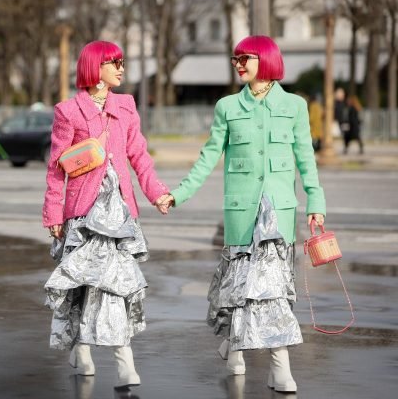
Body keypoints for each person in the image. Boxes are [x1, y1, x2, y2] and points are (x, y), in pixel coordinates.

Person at [157, 36, 326, 393]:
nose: (238, 64)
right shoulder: (227, 107)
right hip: (241, 213)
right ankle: (235, 349)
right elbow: (208, 157)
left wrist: (316, 203)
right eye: (235, 58)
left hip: (278, 214)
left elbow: (306, 160)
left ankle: (279, 366)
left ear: (264, 60)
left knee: (273, 289)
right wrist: (178, 194)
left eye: (244, 58)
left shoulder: (295, 106)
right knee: (239, 289)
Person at [42, 40, 170, 389]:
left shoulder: (126, 107)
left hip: (119, 215)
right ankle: (82, 350)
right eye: (114, 63)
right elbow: (57, 169)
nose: (121, 69)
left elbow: (139, 156)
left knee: (114, 285)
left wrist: (157, 193)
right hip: (83, 214)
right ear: (95, 69)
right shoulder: (68, 111)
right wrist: (53, 213)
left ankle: (123, 361)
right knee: (85, 285)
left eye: (122, 62)